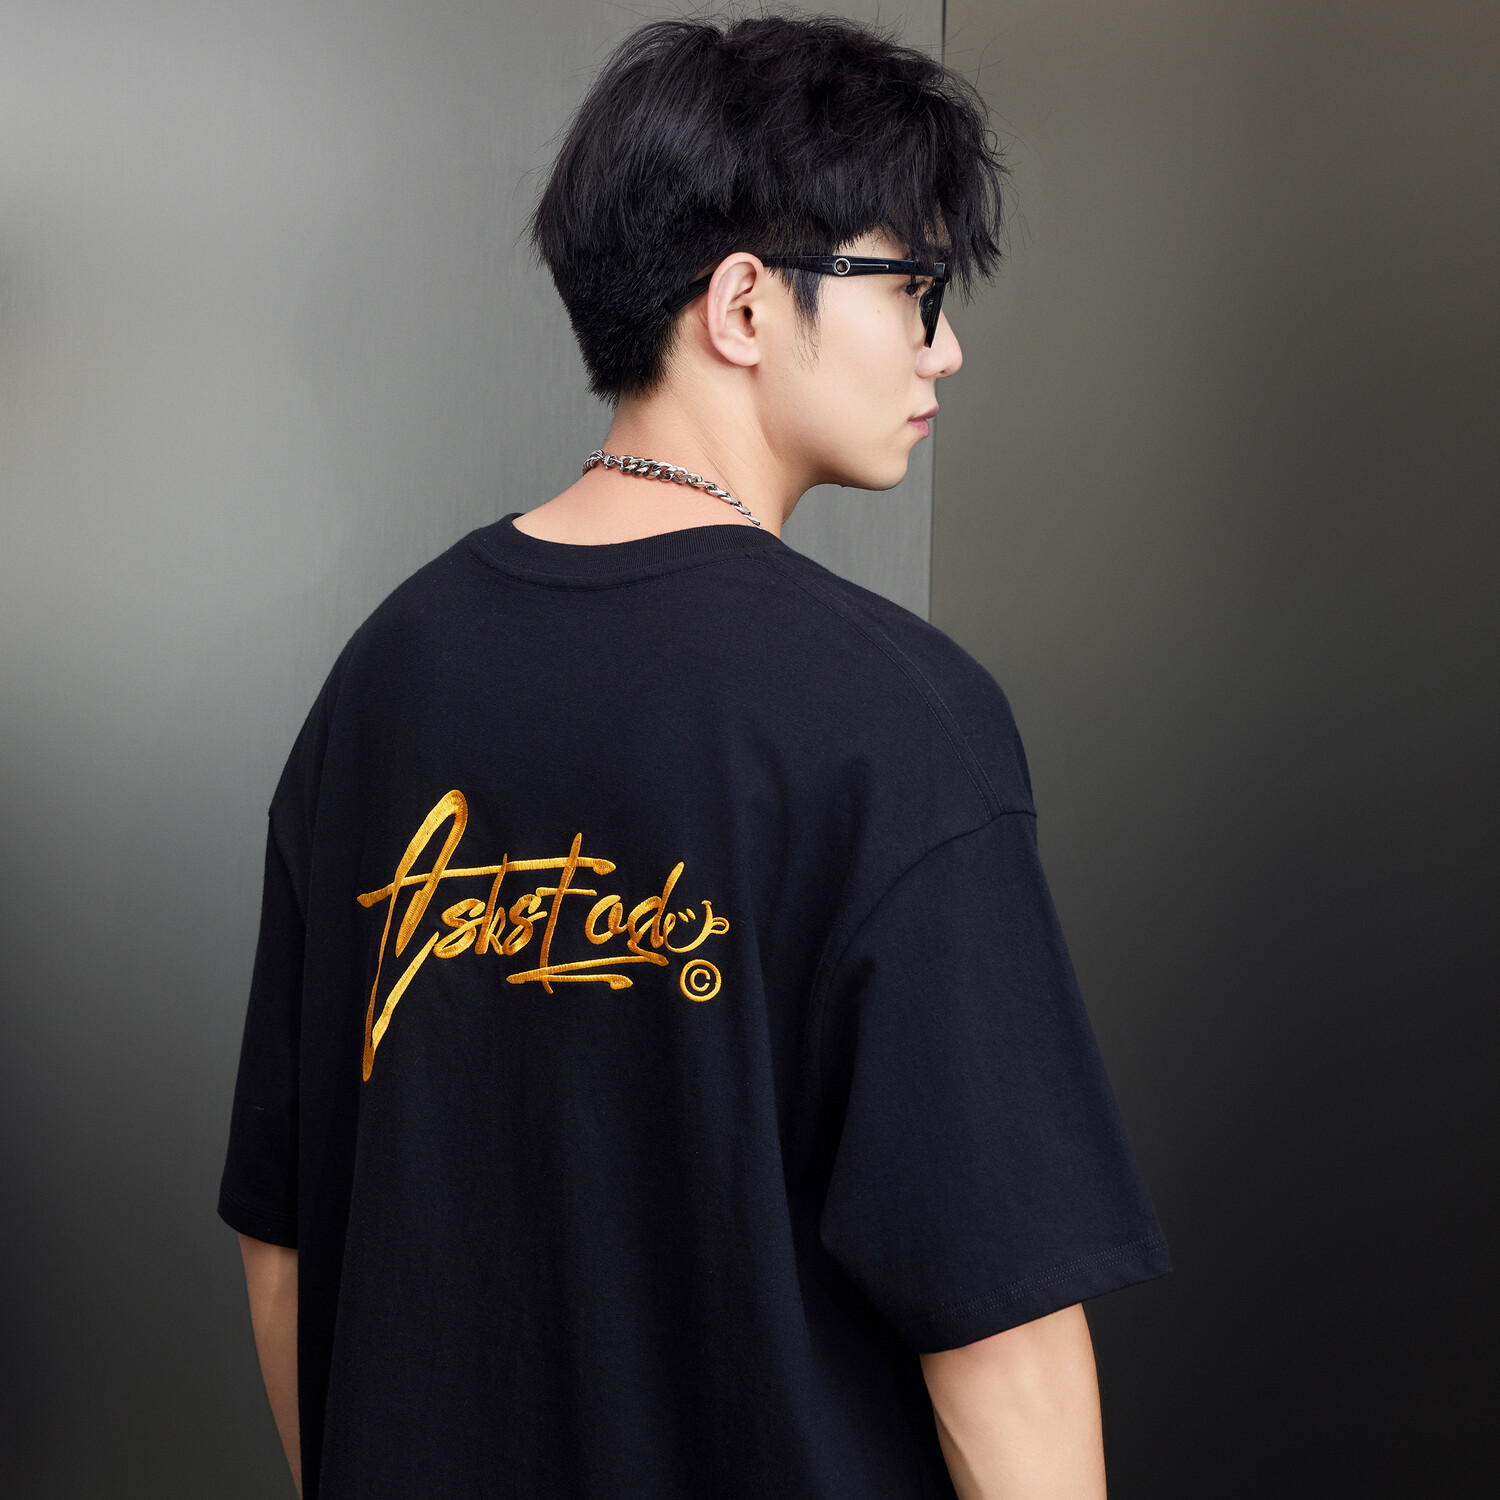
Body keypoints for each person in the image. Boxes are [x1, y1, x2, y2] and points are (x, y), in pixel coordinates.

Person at [219, 14, 1170, 1499]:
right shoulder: (895, 722)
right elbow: (1005, 1340)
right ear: (743, 304)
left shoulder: (386, 677)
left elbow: (282, 1241)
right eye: (914, 290)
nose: (946, 345)